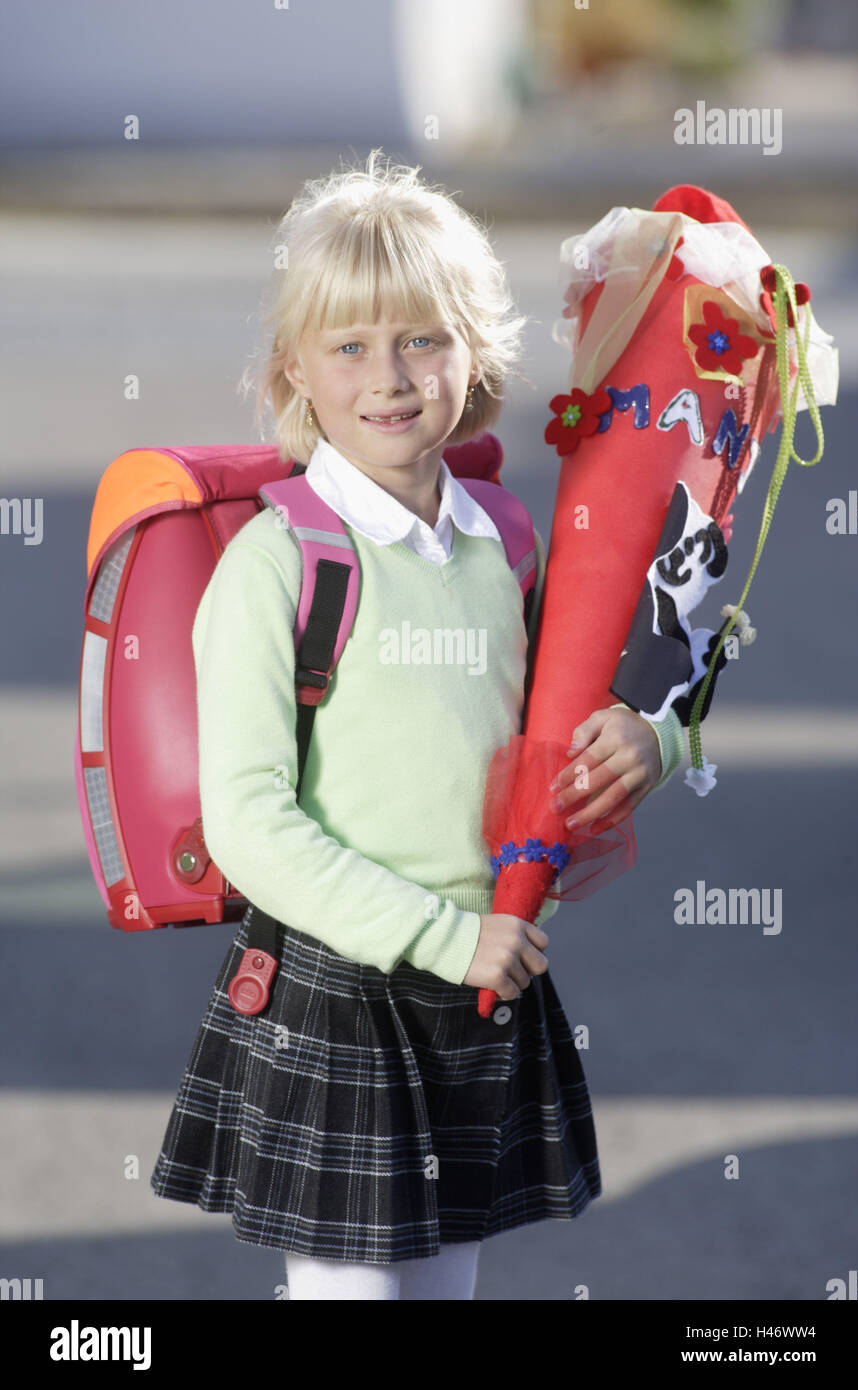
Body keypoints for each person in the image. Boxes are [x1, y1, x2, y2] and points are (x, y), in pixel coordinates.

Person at [150, 149, 684, 1300]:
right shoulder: (277, 563)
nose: (388, 378)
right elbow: (248, 820)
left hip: (478, 984)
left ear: (474, 352)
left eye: (421, 340)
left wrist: (654, 737)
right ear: (295, 369)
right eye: (349, 347)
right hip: (339, 992)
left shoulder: (501, 537)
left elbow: (586, 699)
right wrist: (446, 938)